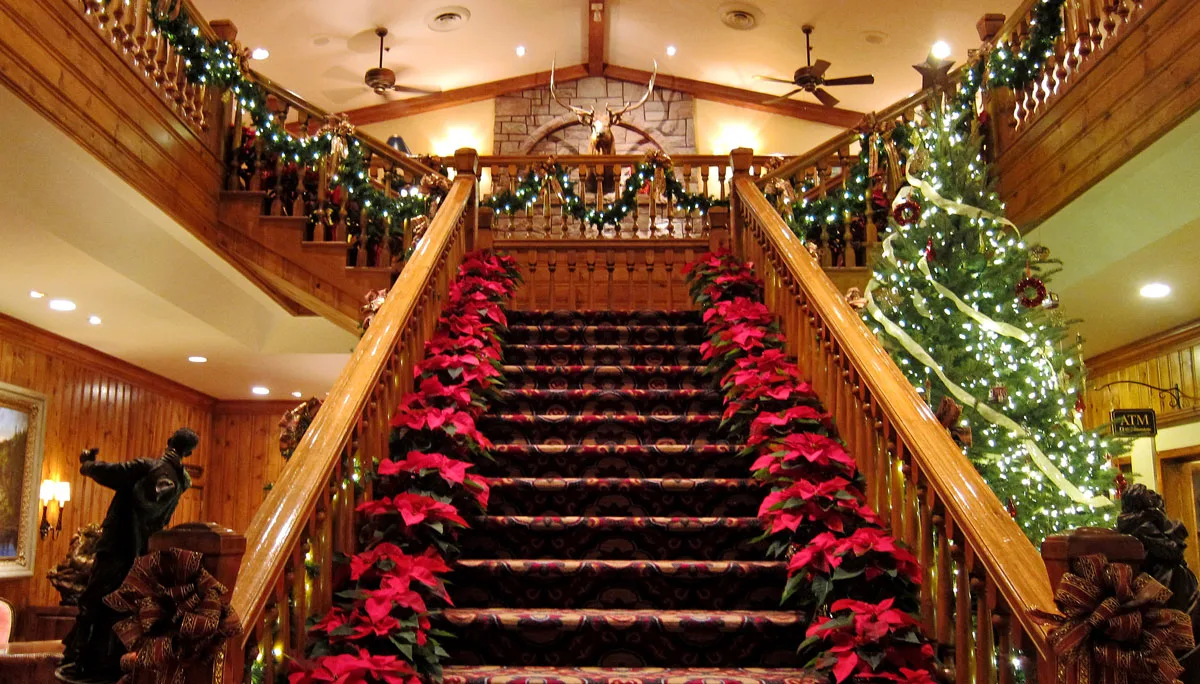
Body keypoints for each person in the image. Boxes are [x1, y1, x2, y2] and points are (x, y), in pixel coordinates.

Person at [57, 428, 198, 683]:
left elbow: (110, 472)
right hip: (140, 550)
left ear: (169, 442)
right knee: (122, 607)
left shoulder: (147, 468)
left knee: (94, 600)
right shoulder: (179, 482)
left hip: (116, 545)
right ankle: (110, 662)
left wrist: (87, 464)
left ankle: (83, 660)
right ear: (189, 452)